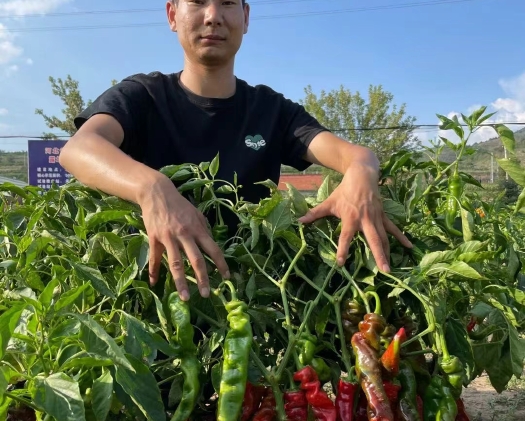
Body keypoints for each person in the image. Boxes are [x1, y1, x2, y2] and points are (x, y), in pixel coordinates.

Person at [59, 0, 412, 303]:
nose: (213, 16)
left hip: (248, 306)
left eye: (228, 3)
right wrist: (153, 190)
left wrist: (362, 171)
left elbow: (353, 155)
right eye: (197, 1)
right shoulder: (142, 96)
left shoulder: (270, 110)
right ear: (172, 14)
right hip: (155, 303)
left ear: (245, 17)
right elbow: (80, 148)